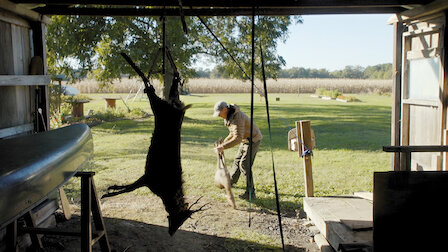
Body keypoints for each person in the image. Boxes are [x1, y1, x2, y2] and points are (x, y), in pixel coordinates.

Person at [213, 101, 262, 200]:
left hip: (253, 139)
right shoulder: (229, 116)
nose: (219, 116)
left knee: (244, 165)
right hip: (245, 139)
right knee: (237, 161)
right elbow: (232, 134)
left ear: (225, 110)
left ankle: (251, 193)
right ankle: (231, 181)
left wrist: (223, 147)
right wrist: (223, 144)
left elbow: (237, 138)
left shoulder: (237, 117)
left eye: (219, 113)